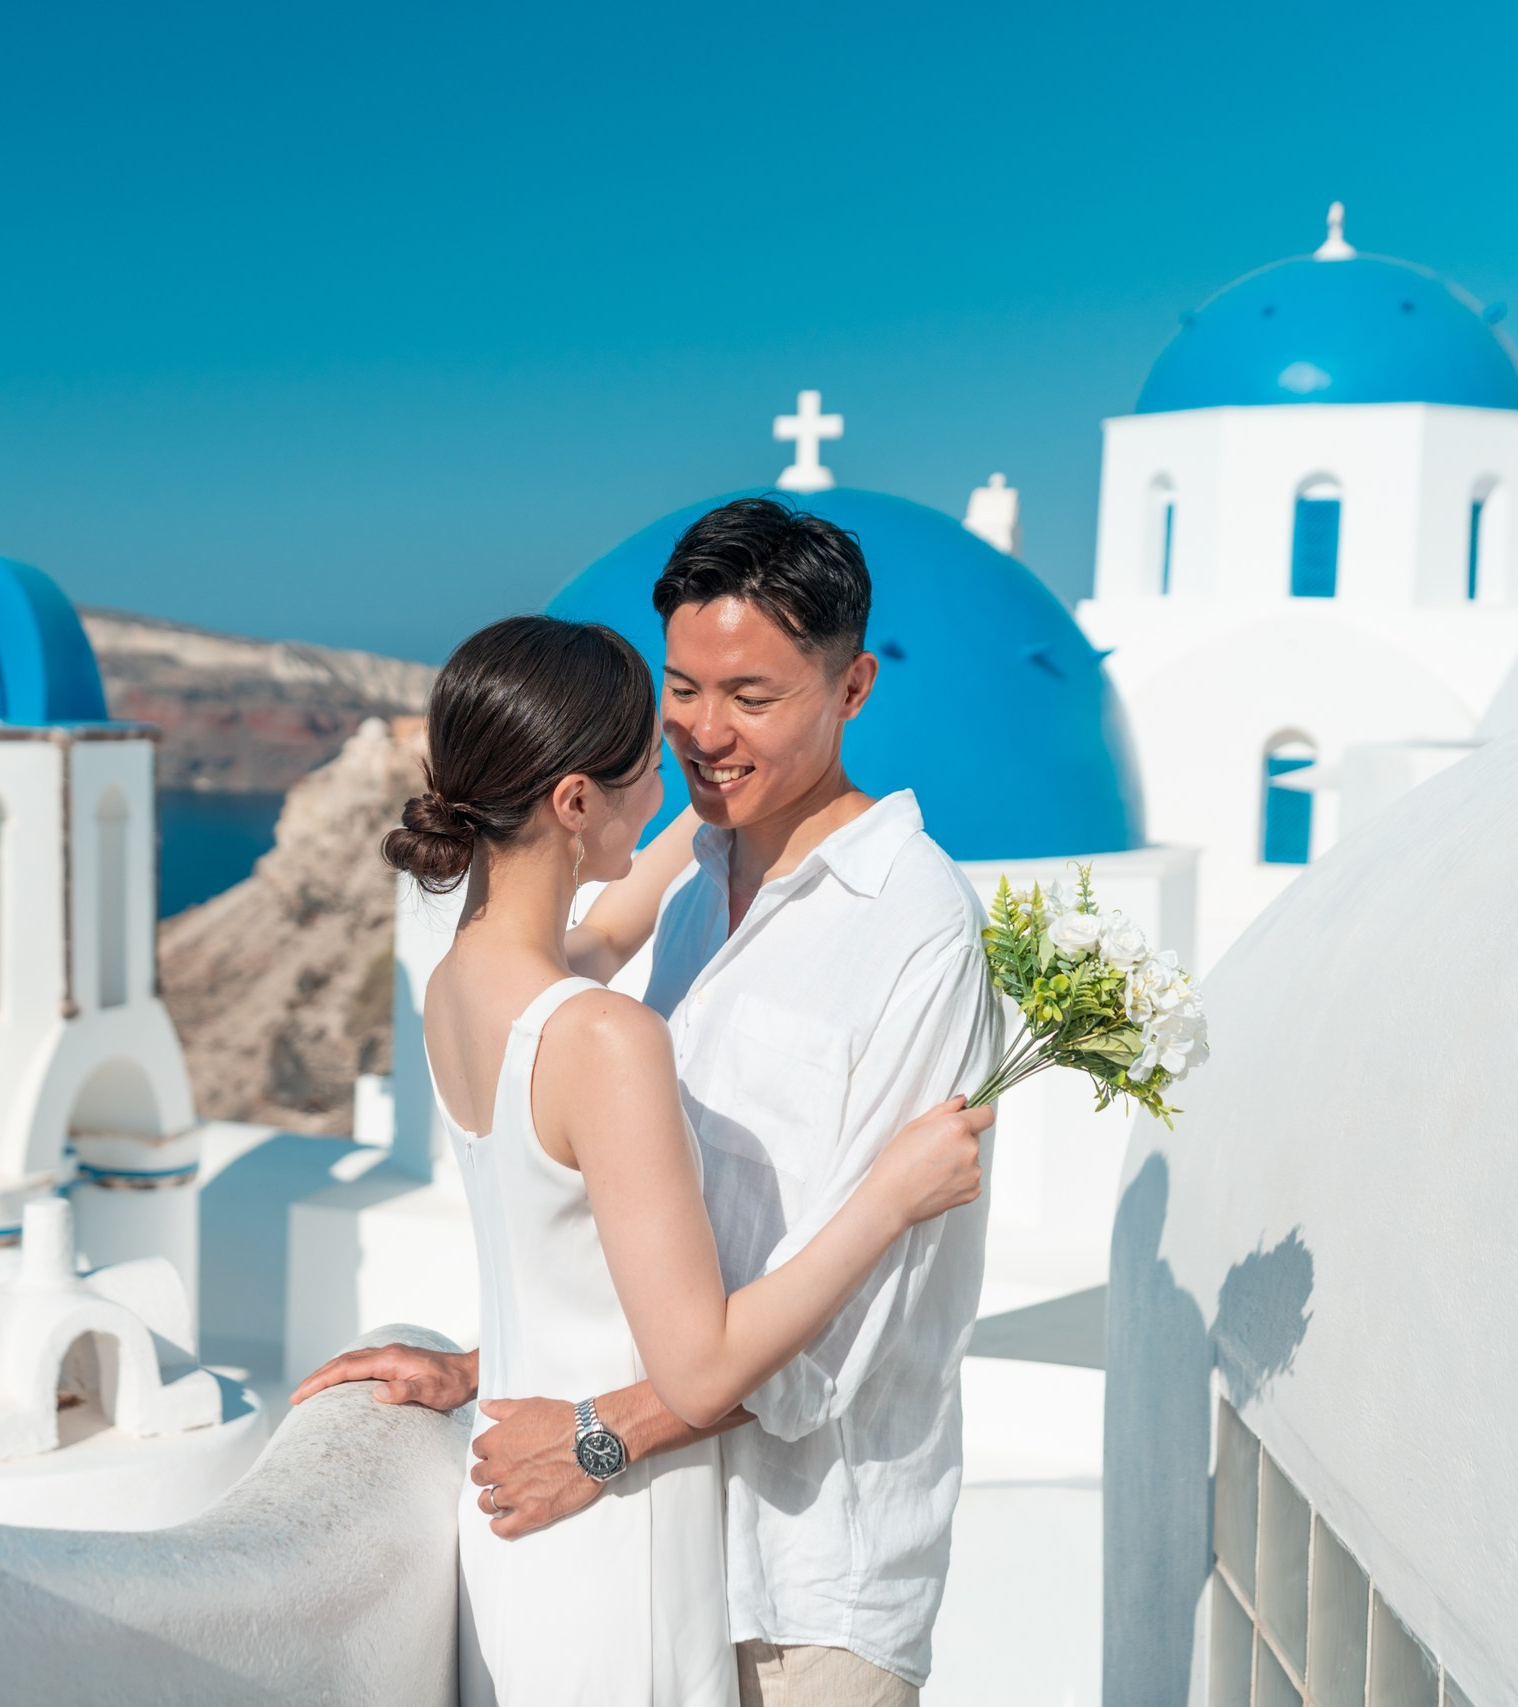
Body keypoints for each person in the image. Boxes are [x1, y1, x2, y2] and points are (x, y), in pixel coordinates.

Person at [299, 499, 1005, 1704]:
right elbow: (645, 1219)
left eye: (752, 697)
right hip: (648, 1534)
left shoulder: (915, 933)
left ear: (852, 688)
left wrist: (600, 1432)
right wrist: (490, 1361)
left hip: (804, 1582)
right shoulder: (688, 886)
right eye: (681, 688)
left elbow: (852, 1336)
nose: (702, 733)